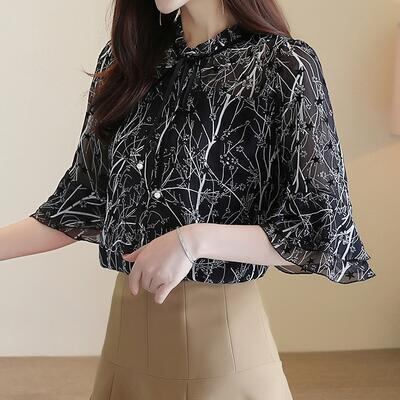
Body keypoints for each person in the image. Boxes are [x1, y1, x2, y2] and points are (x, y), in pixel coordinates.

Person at [1, 0, 376, 398]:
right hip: (125, 347)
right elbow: (80, 203)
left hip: (221, 351)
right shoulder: (126, 60)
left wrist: (193, 240)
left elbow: (321, 228)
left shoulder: (281, 65)